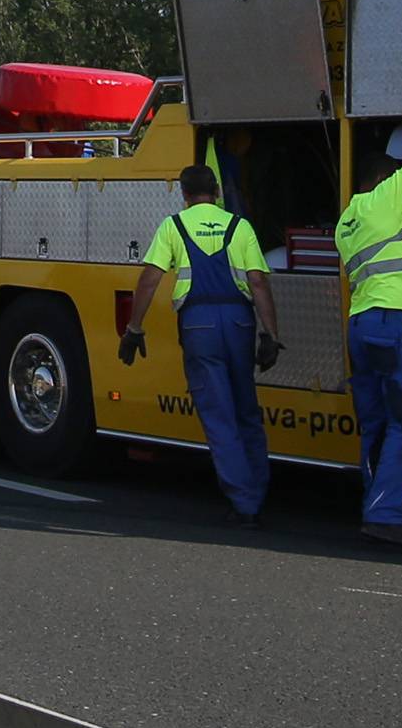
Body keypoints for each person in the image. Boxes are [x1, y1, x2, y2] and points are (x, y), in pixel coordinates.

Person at [119, 161, 281, 527]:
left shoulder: (174, 226)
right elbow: (258, 283)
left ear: (185, 194)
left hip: (200, 325)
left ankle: (244, 503)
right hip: (239, 321)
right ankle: (257, 489)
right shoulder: (240, 227)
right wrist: (271, 334)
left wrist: (134, 328)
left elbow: (149, 280)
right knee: (246, 411)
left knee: (219, 415)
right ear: (218, 192)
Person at [335, 89, 402, 549]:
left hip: (362, 326)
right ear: (382, 179)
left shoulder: (346, 222)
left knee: (377, 424)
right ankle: (385, 514)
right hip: (392, 324)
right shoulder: (384, 199)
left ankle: (373, 503)